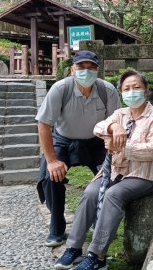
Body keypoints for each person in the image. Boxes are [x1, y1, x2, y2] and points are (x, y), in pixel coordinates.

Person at [55, 69, 153, 270]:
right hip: (118, 170)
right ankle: (74, 248)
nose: (132, 92)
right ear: (121, 93)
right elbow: (98, 127)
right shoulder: (121, 114)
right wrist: (113, 126)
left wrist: (122, 147)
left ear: (146, 90)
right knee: (91, 192)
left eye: (136, 87)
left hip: (148, 173)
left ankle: (97, 256)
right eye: (126, 89)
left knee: (113, 195)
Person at [36, 50, 121, 247]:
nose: (86, 72)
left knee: (115, 176)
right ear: (72, 70)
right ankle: (56, 228)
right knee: (50, 178)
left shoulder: (107, 91)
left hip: (97, 141)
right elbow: (44, 124)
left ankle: (101, 221)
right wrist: (51, 161)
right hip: (64, 140)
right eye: (81, 68)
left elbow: (116, 123)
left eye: (90, 68)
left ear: (97, 70)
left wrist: (113, 157)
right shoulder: (60, 89)